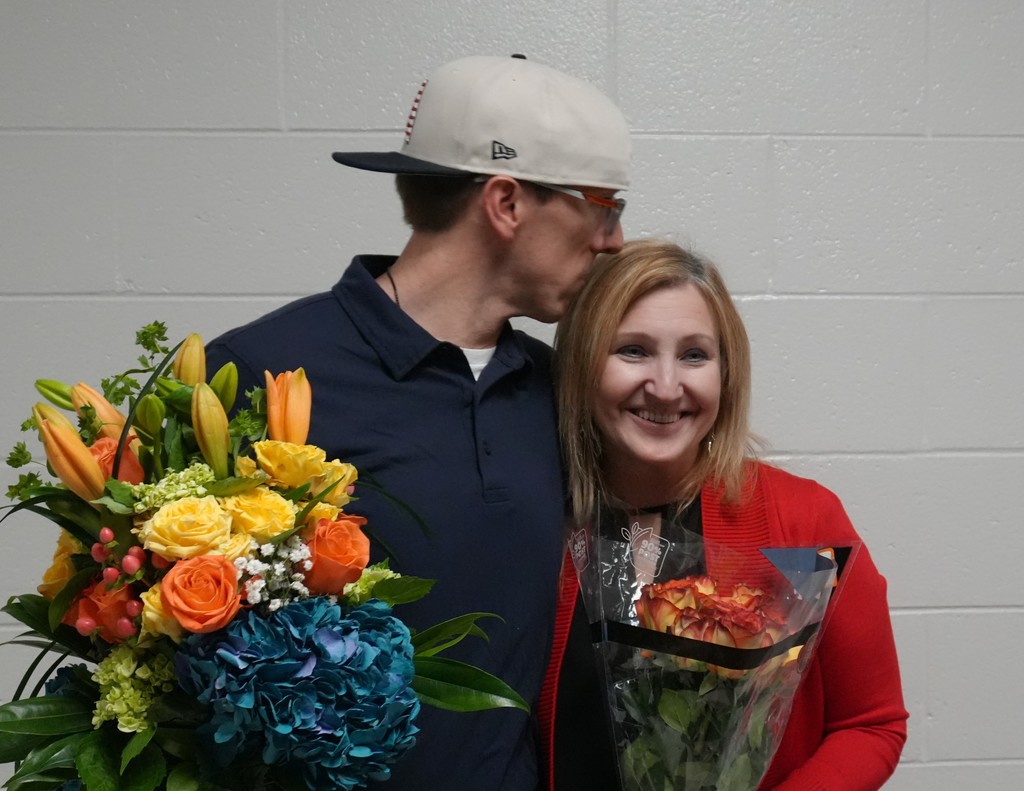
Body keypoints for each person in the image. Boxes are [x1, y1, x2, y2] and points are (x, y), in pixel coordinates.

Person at [204, 55, 631, 789]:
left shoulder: (558, 386)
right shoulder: (256, 373)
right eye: (603, 203)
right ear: (506, 203)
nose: (614, 238)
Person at [541, 239, 908, 790]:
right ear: (580, 363)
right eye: (633, 350)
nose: (666, 387)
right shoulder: (529, 519)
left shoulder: (801, 525)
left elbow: (871, 723)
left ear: (726, 373)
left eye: (694, 355)